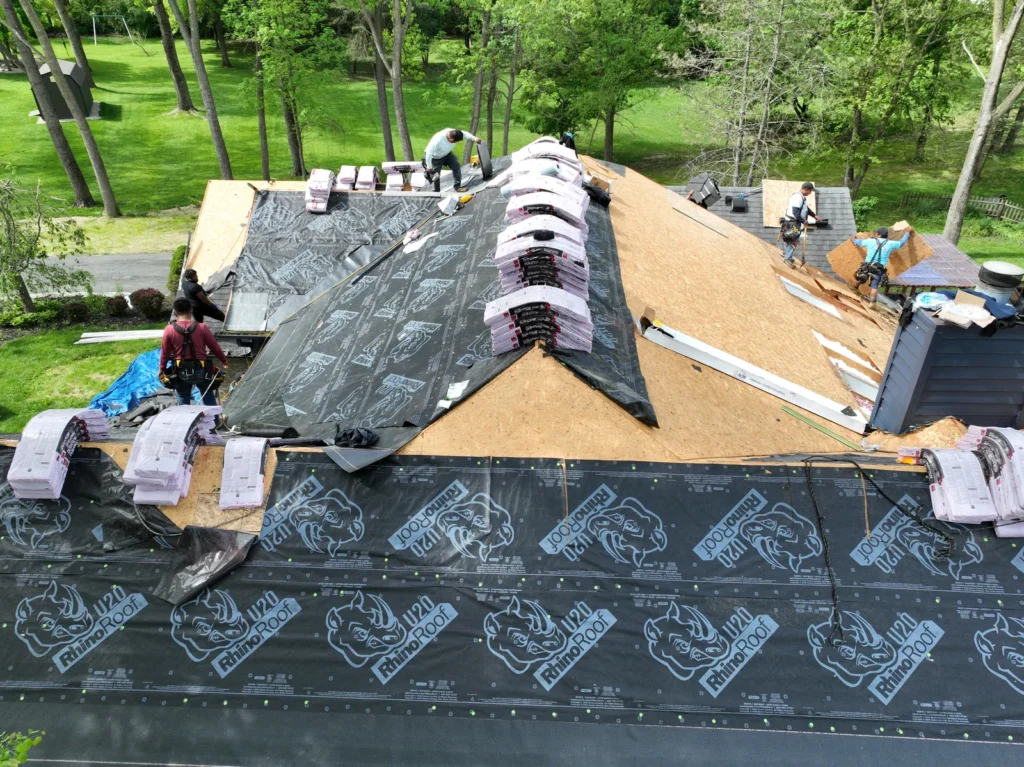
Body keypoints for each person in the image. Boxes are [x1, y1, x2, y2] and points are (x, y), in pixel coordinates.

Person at [159, 298, 229, 408]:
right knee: (207, 395)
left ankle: (185, 418)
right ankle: (213, 418)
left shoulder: (169, 330)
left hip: (180, 370)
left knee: (183, 397)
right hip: (202, 368)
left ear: (175, 313)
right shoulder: (202, 327)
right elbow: (214, 347)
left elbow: (165, 352)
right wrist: (223, 360)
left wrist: (162, 368)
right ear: (191, 310)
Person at [852, 226, 913, 303]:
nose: (875, 234)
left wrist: (853, 239)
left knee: (861, 278)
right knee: (874, 286)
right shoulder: (890, 243)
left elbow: (859, 242)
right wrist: (907, 233)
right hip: (879, 268)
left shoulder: (870, 241)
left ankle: (854, 289)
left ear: (878, 234)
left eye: (876, 233)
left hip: (867, 265)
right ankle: (872, 303)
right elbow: (901, 243)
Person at [423, 128, 480, 192]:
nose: (456, 143)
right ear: (451, 139)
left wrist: (475, 138)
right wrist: (429, 167)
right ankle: (436, 191)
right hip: (436, 158)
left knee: (456, 166)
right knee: (436, 175)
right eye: (456, 141)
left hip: (447, 154)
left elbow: (465, 134)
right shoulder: (437, 140)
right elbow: (428, 154)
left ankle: (457, 187)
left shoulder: (454, 133)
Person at [781, 181, 818, 266]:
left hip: (792, 221)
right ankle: (787, 258)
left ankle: (786, 254)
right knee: (793, 240)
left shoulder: (801, 197)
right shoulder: (798, 198)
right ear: (806, 189)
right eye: (810, 191)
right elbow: (795, 213)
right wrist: (803, 221)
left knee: (789, 238)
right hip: (792, 222)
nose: (810, 193)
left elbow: (805, 208)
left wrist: (814, 215)